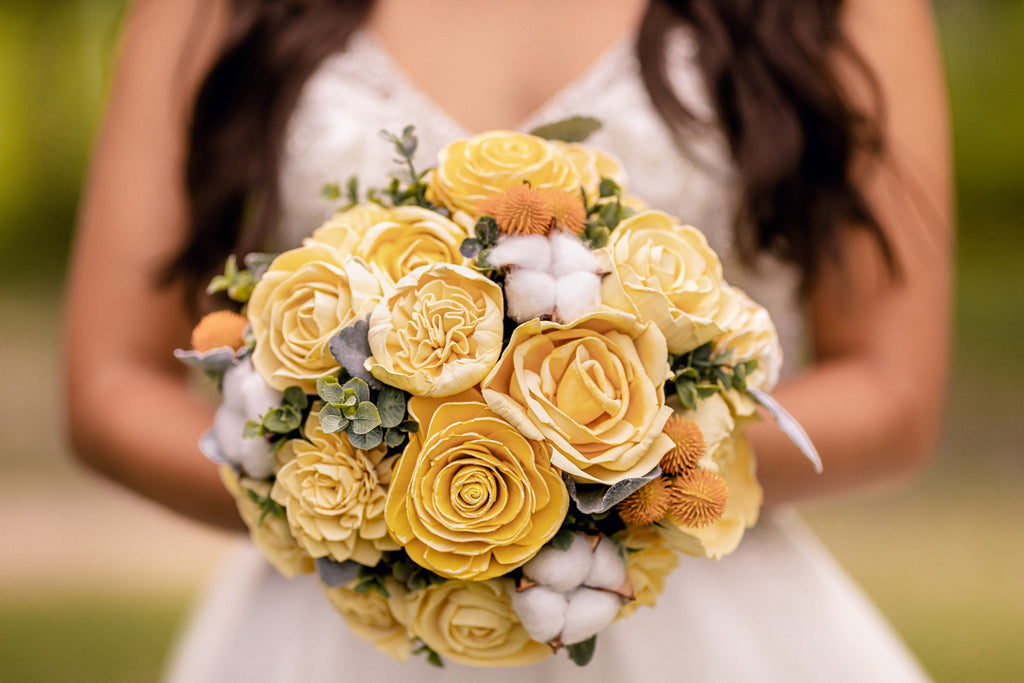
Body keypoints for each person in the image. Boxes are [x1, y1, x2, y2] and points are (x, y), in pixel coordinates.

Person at [65, 0, 951, 680]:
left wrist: (603, 485)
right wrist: (353, 504)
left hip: (707, 613)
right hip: (338, 621)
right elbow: (110, 384)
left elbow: (891, 387)